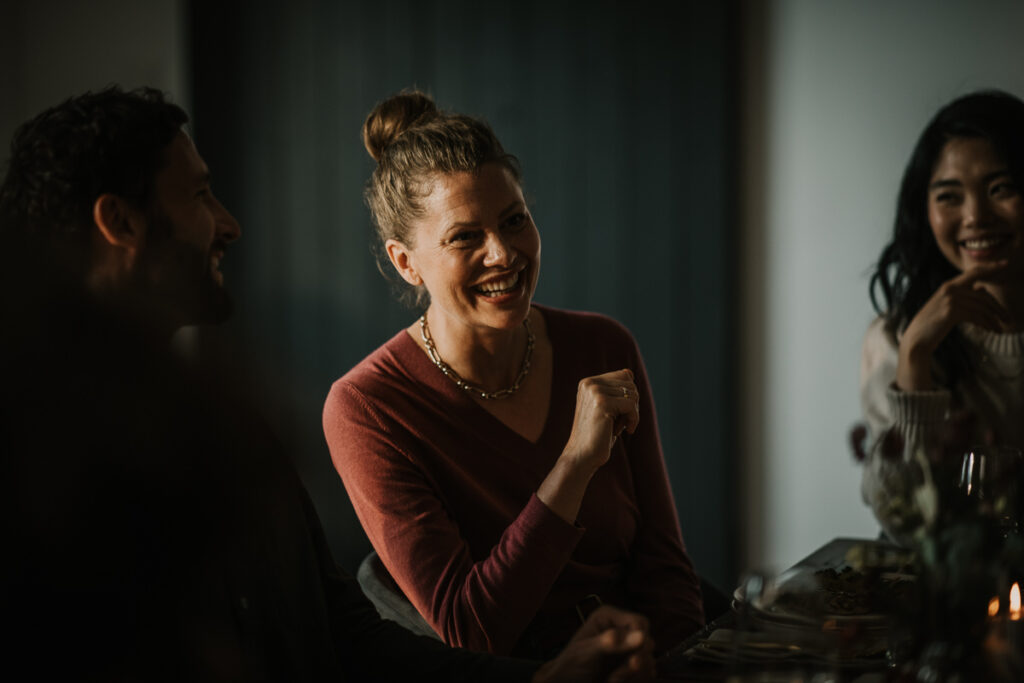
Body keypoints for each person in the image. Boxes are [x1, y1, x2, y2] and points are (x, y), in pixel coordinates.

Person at [0, 86, 656, 682]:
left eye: (514, 219)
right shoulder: (42, 464)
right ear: (121, 222)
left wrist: (542, 680)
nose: (229, 224)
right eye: (200, 195)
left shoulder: (216, 428)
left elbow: (349, 631)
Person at [322, 91, 704, 659]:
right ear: (407, 262)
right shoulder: (367, 407)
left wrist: (674, 665)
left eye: (514, 221)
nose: (503, 254)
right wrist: (574, 463)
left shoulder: (603, 345)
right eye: (464, 237)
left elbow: (666, 566)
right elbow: (471, 629)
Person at [861, 90, 1024, 539]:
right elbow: (903, 521)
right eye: (950, 196)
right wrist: (915, 354)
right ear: (924, 210)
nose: (975, 216)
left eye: (1001, 189)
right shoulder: (894, 337)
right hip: (941, 599)